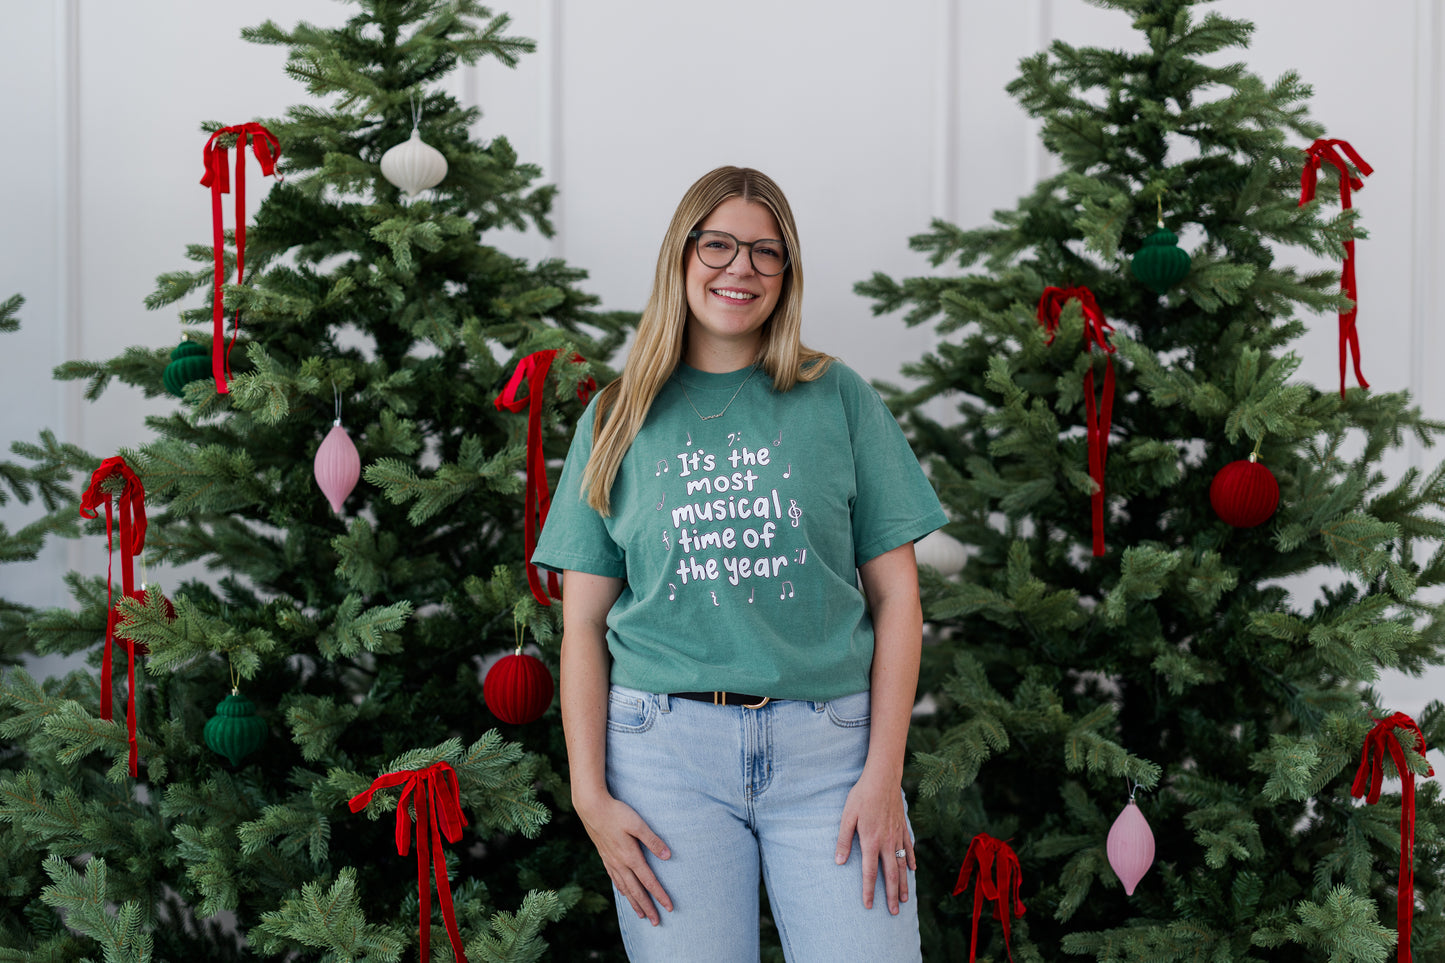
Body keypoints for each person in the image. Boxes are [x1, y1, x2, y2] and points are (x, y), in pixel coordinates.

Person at [531, 166, 946, 962]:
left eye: (766, 252)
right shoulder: (617, 415)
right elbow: (581, 622)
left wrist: (882, 776)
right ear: (680, 255)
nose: (740, 269)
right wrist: (588, 794)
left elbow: (897, 598)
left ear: (786, 274)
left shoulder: (839, 397)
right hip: (662, 757)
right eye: (717, 244)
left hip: (831, 753)